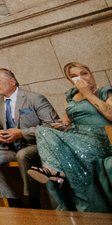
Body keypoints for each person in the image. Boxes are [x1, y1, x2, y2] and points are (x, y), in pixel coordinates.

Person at [31, 62, 112, 213]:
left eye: (84, 73)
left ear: (91, 73)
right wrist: (62, 126)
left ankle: (57, 172)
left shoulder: (106, 91)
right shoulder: (70, 95)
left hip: (100, 139)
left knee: (54, 143)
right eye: (74, 76)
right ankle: (52, 170)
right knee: (43, 131)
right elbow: (67, 122)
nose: (81, 78)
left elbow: (110, 114)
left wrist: (88, 94)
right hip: (76, 137)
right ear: (70, 80)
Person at [0, 67, 59, 208]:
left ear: (12, 81)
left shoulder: (34, 98)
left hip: (35, 145)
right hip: (9, 147)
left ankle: (33, 200)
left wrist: (22, 133)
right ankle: (12, 200)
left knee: (23, 155)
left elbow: (52, 125)